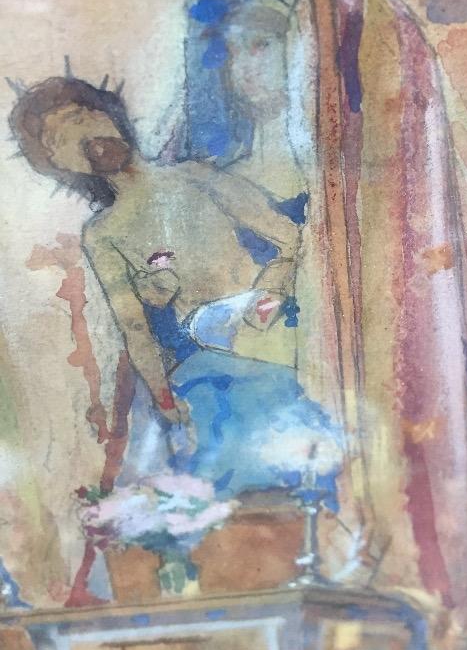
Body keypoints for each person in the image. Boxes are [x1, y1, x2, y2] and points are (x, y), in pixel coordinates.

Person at [9, 75, 344, 502]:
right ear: (62, 165)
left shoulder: (194, 177)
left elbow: (289, 238)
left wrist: (268, 299)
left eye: (78, 117)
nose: (80, 137)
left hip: (268, 313)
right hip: (210, 334)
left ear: (106, 115)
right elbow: (134, 327)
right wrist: (164, 400)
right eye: (59, 141)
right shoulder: (103, 233)